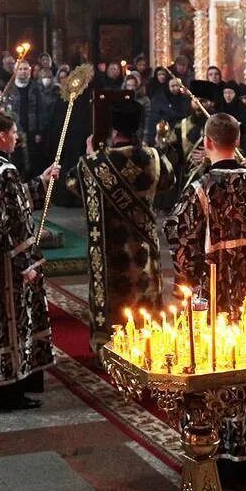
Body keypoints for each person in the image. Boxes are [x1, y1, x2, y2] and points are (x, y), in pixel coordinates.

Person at [166, 112, 246, 460]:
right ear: (238, 141)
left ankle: (227, 444)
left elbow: (178, 237)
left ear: (207, 143)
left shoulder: (203, 189)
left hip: (218, 296)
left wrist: (187, 284)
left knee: (223, 363)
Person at [0, 111, 60, 412]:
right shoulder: (5, 170)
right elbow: (14, 222)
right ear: (3, 135)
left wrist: (43, 180)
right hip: (5, 265)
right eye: (15, 132)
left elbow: (13, 200)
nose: (18, 137)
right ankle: (9, 394)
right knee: (10, 326)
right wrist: (27, 265)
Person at [68, 100, 173, 350]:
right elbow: (169, 180)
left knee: (113, 298)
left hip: (109, 251)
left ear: (114, 129)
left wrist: (91, 152)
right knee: (144, 293)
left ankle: (109, 347)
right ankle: (146, 345)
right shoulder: (154, 158)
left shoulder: (95, 164)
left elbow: (72, 183)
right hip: (143, 249)